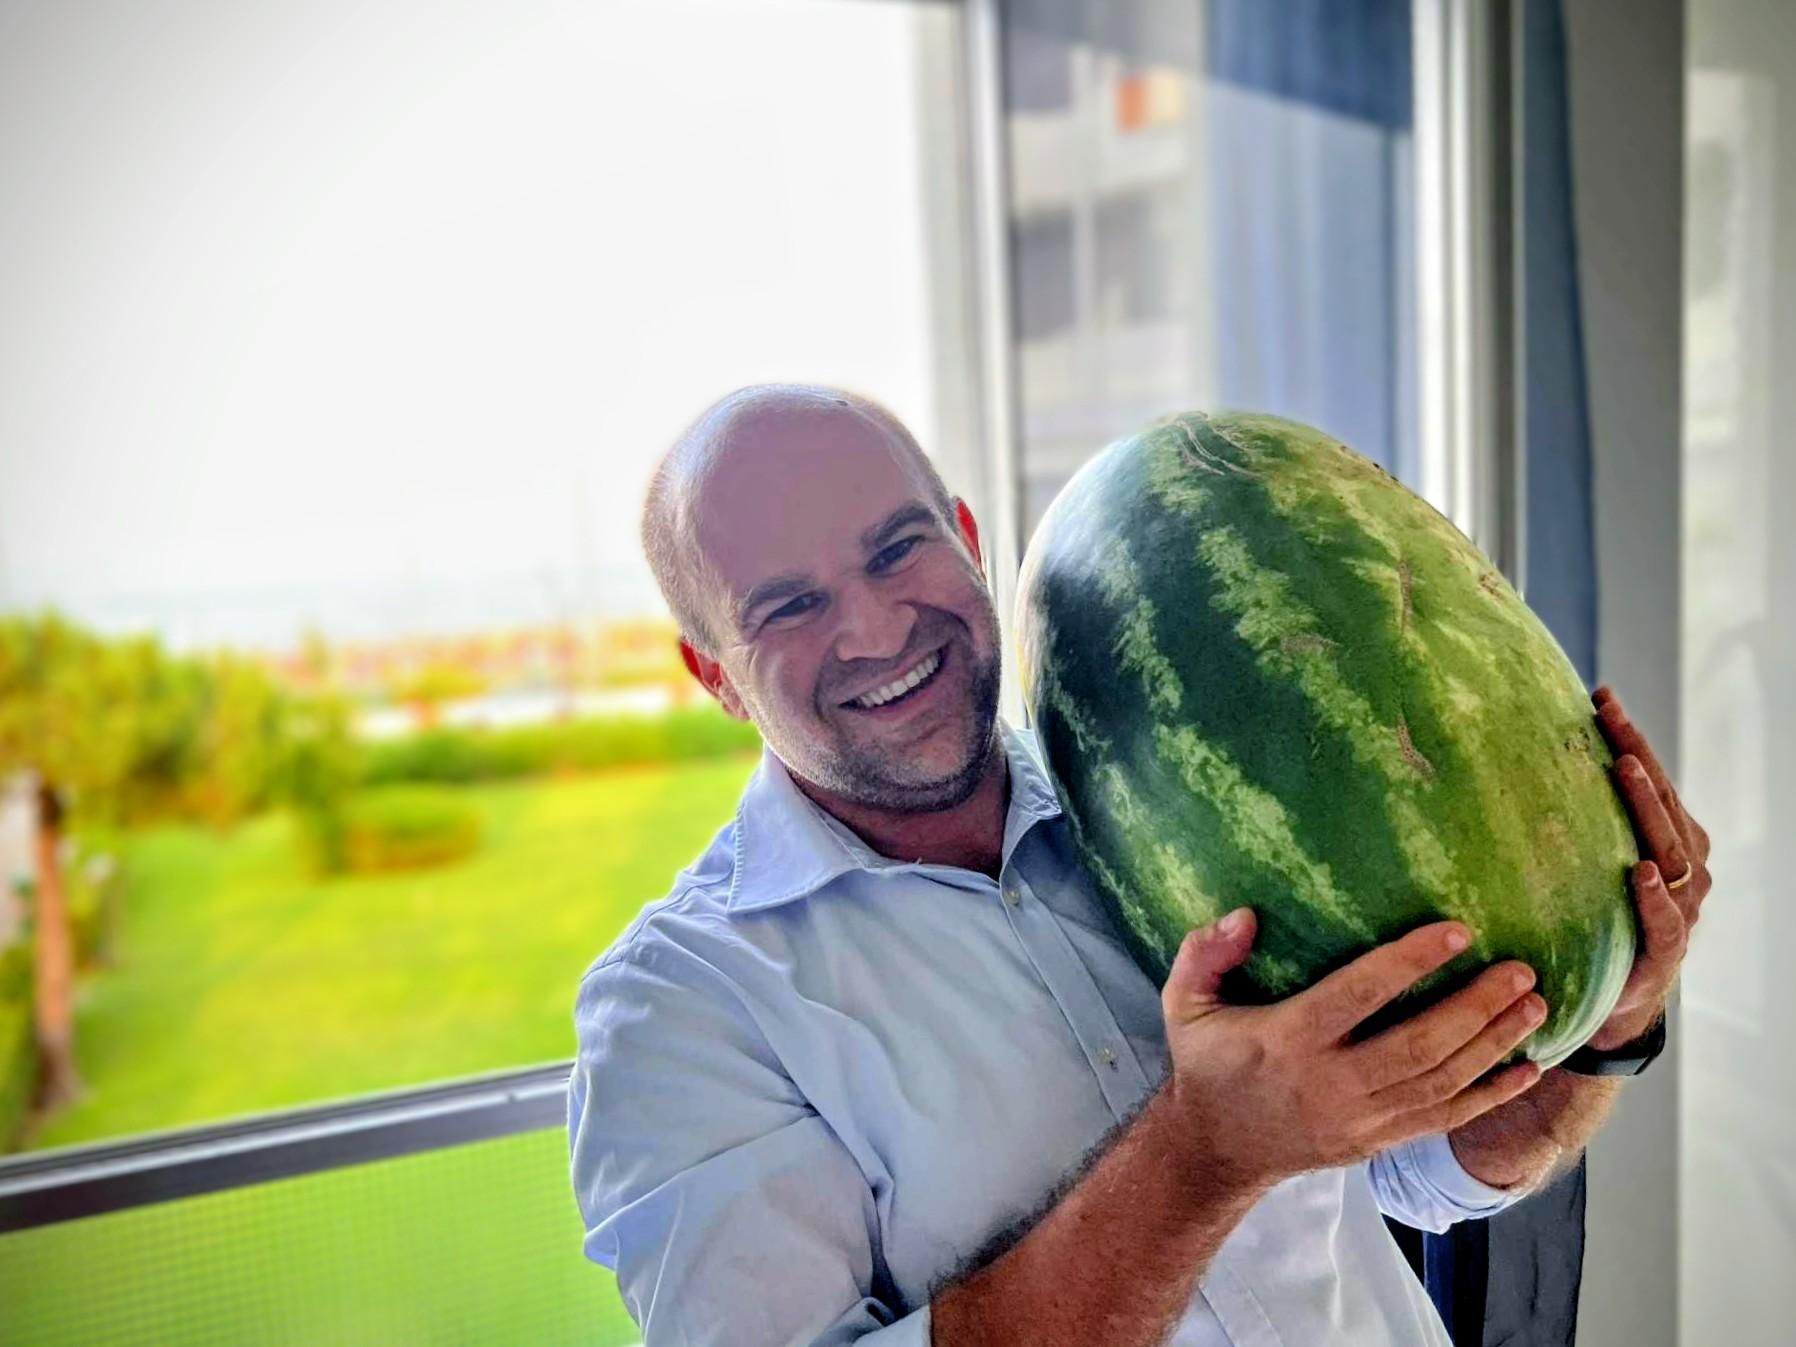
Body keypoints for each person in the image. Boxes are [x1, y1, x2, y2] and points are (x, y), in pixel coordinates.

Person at [566, 384, 1712, 1346]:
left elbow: (1426, 1171)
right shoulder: (679, 1012)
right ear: (710, 672)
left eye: (896, 548)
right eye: (787, 607)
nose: (873, 630)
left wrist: (1608, 1025)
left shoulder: (1170, 785)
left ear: (965, 538)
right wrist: (1206, 1153)